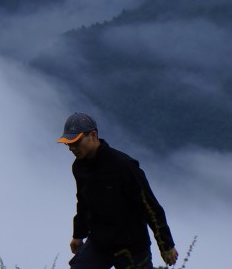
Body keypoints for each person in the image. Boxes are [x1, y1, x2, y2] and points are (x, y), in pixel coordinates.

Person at [57, 112, 180, 269]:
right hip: (99, 243)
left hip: (132, 246)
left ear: (93, 135)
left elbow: (150, 207)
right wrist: (78, 234)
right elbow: (83, 201)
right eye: (68, 143)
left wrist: (166, 245)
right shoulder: (79, 167)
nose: (71, 148)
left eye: (76, 142)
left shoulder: (124, 166)